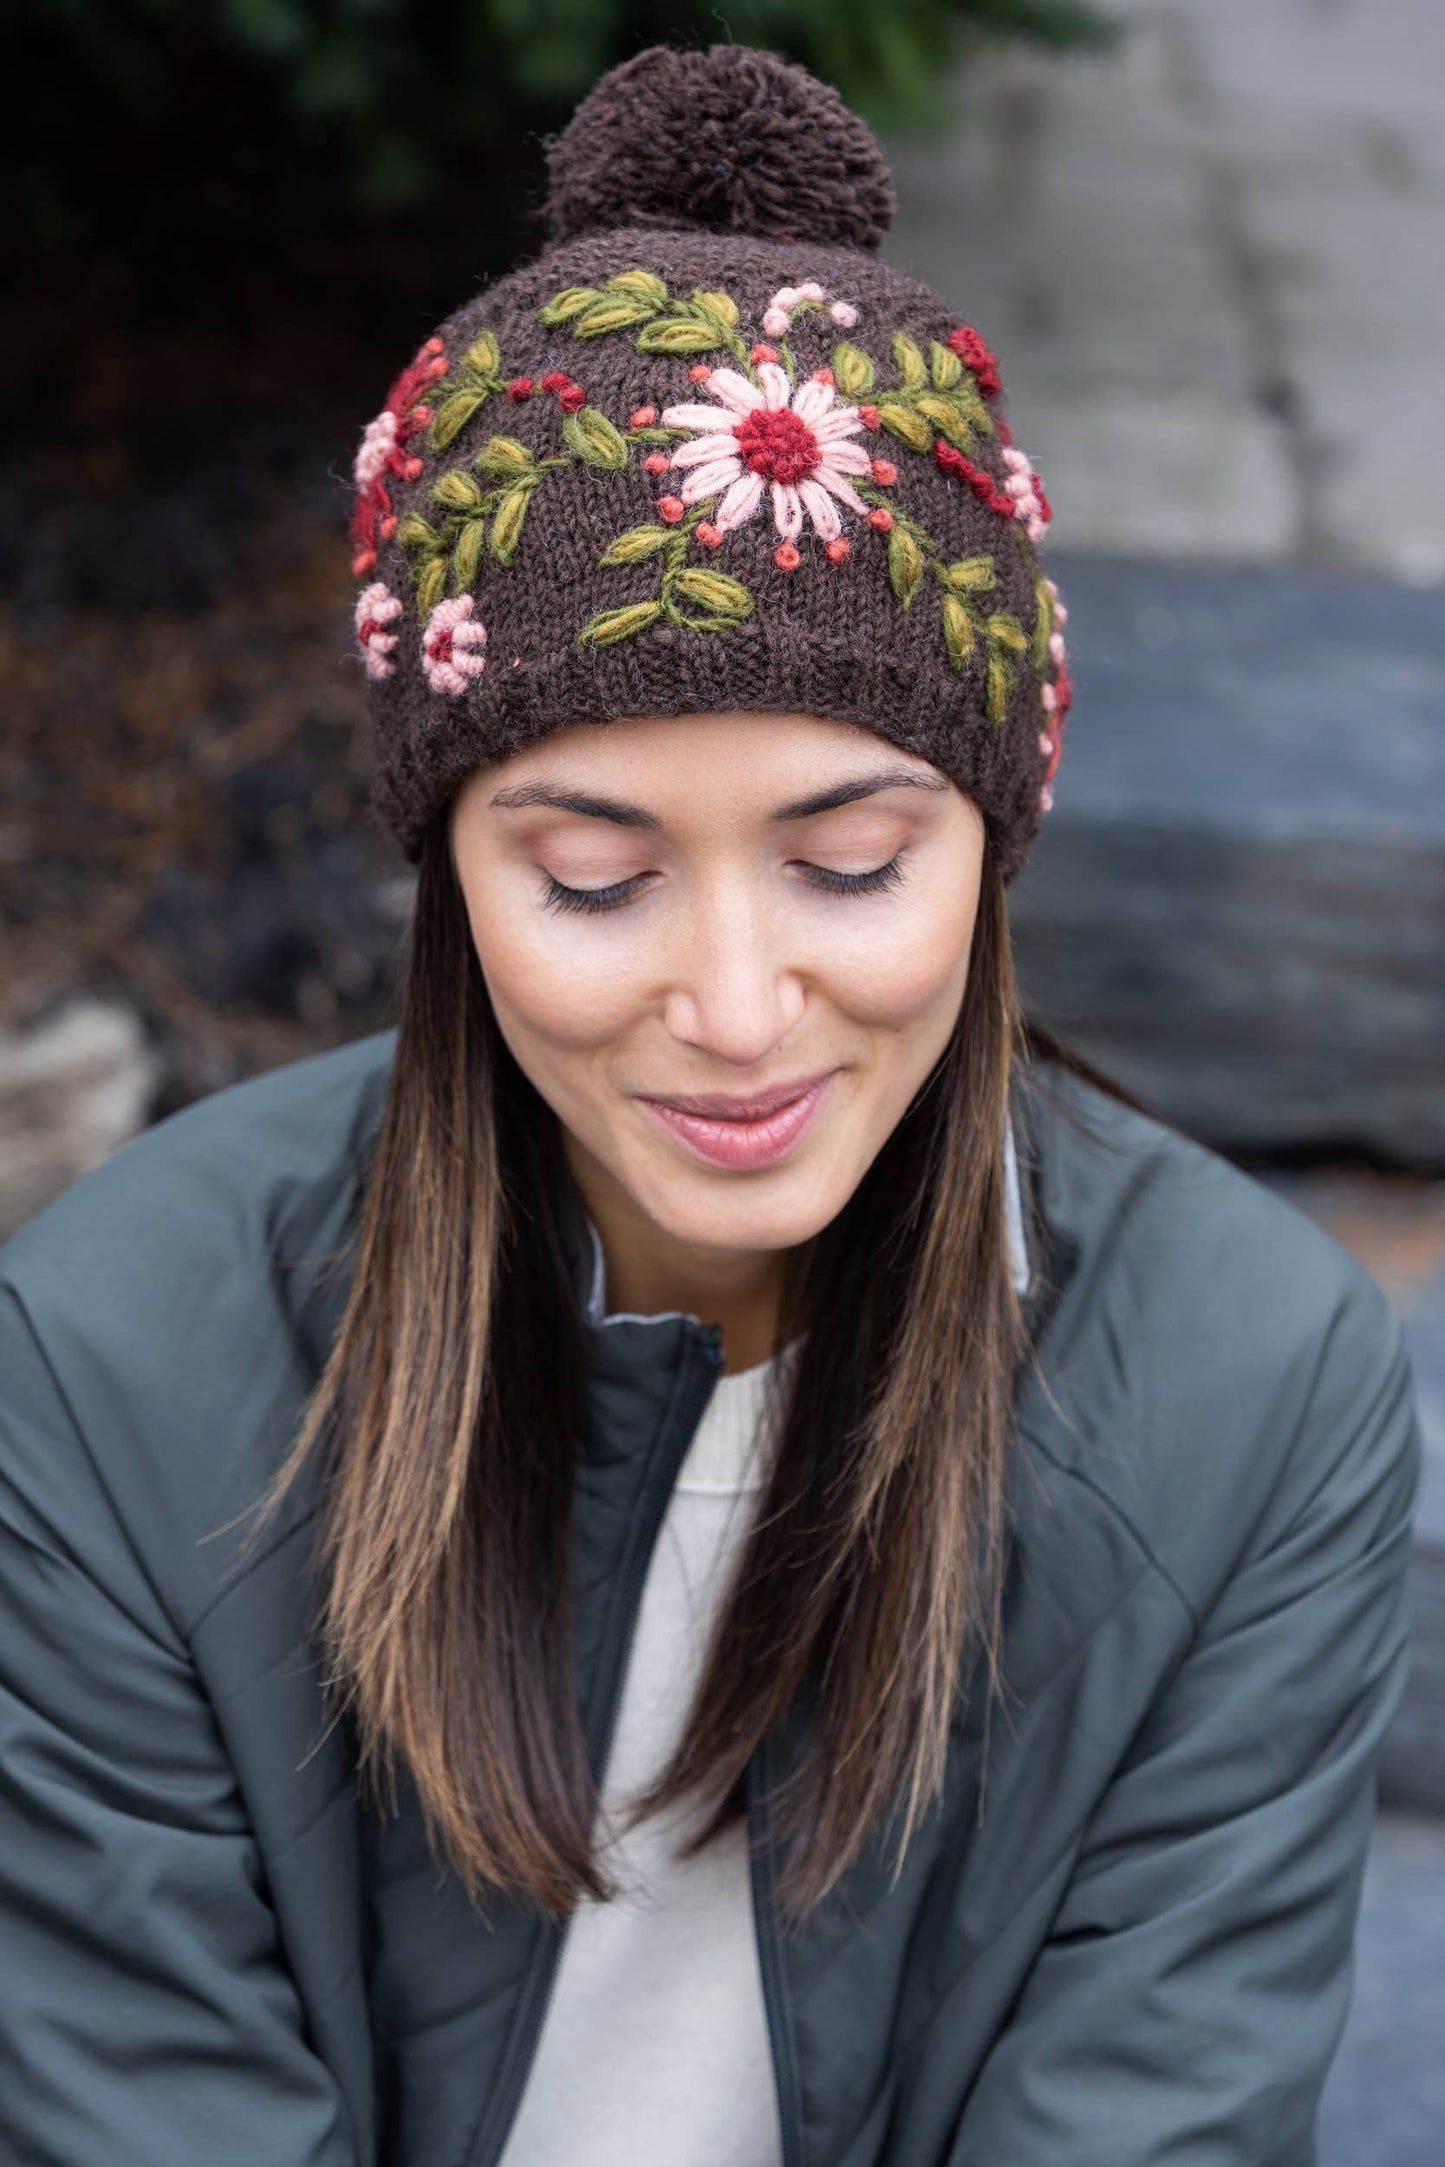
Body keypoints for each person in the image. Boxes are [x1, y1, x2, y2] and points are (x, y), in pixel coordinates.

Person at [0, 43, 1421, 2167]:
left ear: (995, 843)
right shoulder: (119, 1362)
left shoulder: (1250, 1390)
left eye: (851, 864)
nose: (740, 1014)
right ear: (446, 872)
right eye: (593, 878)